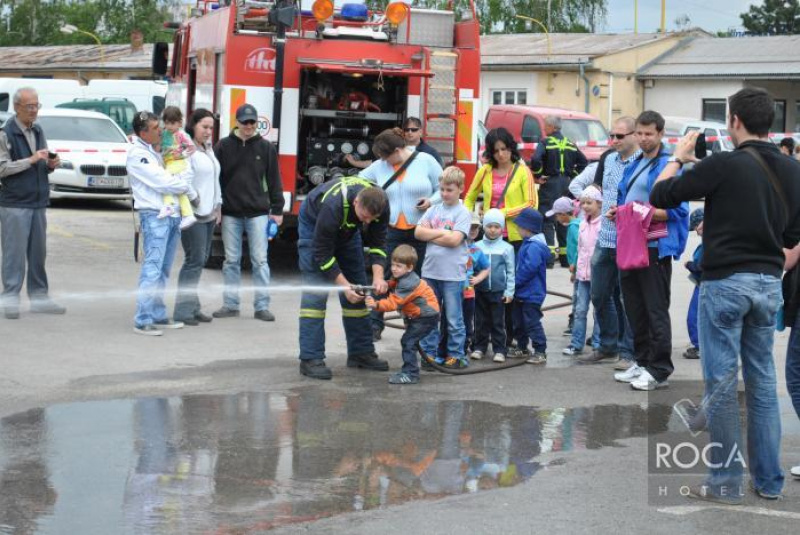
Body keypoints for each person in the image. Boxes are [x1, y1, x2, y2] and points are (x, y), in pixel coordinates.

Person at [651, 87, 800, 503]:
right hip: (768, 284)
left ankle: (724, 482)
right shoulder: (792, 170)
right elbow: (792, 235)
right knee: (763, 383)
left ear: (734, 121)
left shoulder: (722, 164)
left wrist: (678, 159)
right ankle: (769, 482)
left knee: (720, 383)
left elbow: (661, 196)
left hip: (725, 284)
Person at [611, 111, 689, 391]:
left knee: (655, 310)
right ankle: (642, 362)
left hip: (655, 246)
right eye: (640, 134)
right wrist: (619, 213)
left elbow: (677, 212)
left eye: (649, 134)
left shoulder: (670, 165)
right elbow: (628, 200)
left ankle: (659, 369)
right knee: (634, 308)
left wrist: (638, 213)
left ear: (660, 134)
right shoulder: (634, 164)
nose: (644, 139)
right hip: (631, 244)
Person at [297, 176, 391, 380]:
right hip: (314, 226)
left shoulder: (381, 204)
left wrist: (378, 276)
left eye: (370, 219)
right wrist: (344, 286)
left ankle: (361, 353)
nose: (366, 223)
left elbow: (378, 242)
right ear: (356, 201)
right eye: (364, 217)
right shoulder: (332, 206)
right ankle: (310, 358)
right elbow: (322, 253)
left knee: (359, 290)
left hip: (347, 232)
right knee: (315, 297)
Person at [358, 127, 443, 340]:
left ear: (398, 150)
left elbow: (444, 187)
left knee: (420, 278)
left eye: (387, 156)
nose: (385, 161)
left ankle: (420, 323)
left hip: (422, 230)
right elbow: (359, 181)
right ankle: (375, 325)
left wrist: (431, 201)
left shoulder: (426, 160)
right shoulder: (379, 166)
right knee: (385, 276)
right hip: (391, 230)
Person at [213, 103, 284, 322]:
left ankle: (262, 306)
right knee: (231, 260)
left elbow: (275, 180)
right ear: (237, 122)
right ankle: (230, 304)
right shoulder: (222, 146)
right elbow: (215, 180)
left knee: (260, 261)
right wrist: (216, 208)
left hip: (258, 214)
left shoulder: (266, 148)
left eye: (252, 122)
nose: (249, 126)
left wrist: (277, 209)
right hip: (230, 213)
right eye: (245, 122)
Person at [128, 111, 195, 336]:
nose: (161, 130)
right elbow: (161, 181)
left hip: (171, 214)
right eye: (156, 128)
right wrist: (183, 185)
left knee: (164, 269)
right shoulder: (138, 154)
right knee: (153, 268)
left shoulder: (155, 150)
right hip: (154, 215)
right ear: (143, 132)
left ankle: (157, 313)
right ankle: (143, 318)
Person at [0, 87, 65, 319]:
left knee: (38, 254)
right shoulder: (5, 133)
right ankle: (9, 299)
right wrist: (31, 160)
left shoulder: (37, 130)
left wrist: (49, 164)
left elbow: (41, 160)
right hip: (15, 203)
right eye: (29, 106)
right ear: (16, 107)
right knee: (14, 254)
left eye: (37, 105)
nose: (34, 111)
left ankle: (39, 298)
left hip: (37, 201)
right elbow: (3, 168)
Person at [585, 117, 639, 367]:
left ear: (634, 135)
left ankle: (627, 351)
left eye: (620, 136)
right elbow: (601, 189)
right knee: (598, 294)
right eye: (612, 136)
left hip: (628, 239)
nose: (615, 141)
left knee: (628, 298)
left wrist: (625, 210)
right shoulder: (608, 159)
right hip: (604, 237)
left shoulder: (641, 162)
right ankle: (608, 344)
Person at [416, 166, 473, 369]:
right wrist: (443, 234)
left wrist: (432, 233)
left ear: (460, 189)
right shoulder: (433, 209)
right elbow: (418, 233)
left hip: (452, 276)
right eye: (442, 189)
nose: (444, 194)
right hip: (430, 272)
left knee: (454, 318)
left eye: (449, 190)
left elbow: (455, 240)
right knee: (430, 315)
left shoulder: (463, 213)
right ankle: (429, 355)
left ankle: (456, 355)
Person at [173, 108, 222, 326]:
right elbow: (183, 181)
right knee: (194, 261)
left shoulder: (208, 149)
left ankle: (193, 306)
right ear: (193, 125)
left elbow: (215, 179)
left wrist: (218, 206)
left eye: (211, 127)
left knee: (199, 261)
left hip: (209, 215)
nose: (208, 131)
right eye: (204, 126)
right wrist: (195, 201)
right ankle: (183, 311)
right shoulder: (188, 151)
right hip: (193, 215)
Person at [365, 244, 440, 385]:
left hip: (425, 317)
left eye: (398, 266)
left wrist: (376, 305)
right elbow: (393, 284)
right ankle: (410, 370)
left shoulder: (408, 283)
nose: (393, 268)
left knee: (408, 341)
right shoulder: (402, 277)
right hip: (419, 316)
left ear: (409, 267)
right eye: (392, 264)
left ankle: (411, 374)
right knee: (410, 341)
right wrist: (383, 285)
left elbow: (394, 303)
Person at [529, 115, 588, 268]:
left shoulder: (545, 143)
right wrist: (573, 177)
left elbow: (535, 159)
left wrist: (538, 174)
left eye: (546, 126)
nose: (544, 129)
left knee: (547, 220)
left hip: (550, 183)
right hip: (566, 185)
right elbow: (584, 162)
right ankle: (565, 259)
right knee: (564, 218)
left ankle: (548, 260)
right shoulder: (570, 143)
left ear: (552, 127)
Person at [464, 127, 537, 248]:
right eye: (496, 151)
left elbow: (531, 204)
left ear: (511, 147)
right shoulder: (484, 171)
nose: (501, 154)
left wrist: (502, 213)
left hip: (516, 236)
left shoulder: (523, 171)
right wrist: (468, 218)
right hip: (489, 235)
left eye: (503, 149)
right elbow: (470, 197)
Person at [561, 188, 602, 357]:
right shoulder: (583, 223)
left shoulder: (603, 224)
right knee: (580, 310)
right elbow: (580, 248)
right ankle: (576, 343)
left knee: (599, 310)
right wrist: (575, 269)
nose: (585, 206)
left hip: (599, 275)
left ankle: (599, 344)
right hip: (582, 276)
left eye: (589, 202)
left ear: (599, 203)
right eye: (583, 202)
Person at [472, 208, 515, 362]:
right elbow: (471, 268)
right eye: (490, 226)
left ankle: (500, 350)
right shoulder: (476, 247)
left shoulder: (507, 248)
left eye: (497, 227)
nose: (493, 230)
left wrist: (509, 292)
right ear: (484, 226)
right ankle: (479, 348)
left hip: (498, 291)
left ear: (501, 229)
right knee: (480, 321)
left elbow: (511, 272)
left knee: (498, 322)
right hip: (480, 290)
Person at [510, 208, 550, 364]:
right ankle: (522, 347)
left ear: (527, 228)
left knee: (531, 322)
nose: (518, 229)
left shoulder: (534, 246)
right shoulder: (529, 243)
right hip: (522, 293)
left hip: (531, 294)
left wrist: (515, 282)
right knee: (519, 322)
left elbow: (529, 268)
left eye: (519, 226)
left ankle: (540, 350)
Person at [546, 196, 580, 339]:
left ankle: (576, 326)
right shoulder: (576, 225)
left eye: (557, 215)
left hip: (579, 270)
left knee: (579, 299)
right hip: (578, 270)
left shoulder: (574, 228)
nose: (556, 219)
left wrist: (575, 266)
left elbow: (580, 248)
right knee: (578, 297)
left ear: (564, 214)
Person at [159, 106, 197, 230]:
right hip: (169, 163)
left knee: (164, 180)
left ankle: (169, 204)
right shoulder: (165, 134)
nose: (169, 126)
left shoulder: (181, 134)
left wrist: (181, 155)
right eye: (167, 123)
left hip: (178, 164)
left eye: (172, 123)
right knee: (179, 191)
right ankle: (188, 214)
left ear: (180, 123)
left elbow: (192, 147)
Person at [683, 208, 704, 360]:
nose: (696, 231)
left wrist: (690, 265)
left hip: (704, 285)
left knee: (694, 317)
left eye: (696, 227)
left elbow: (704, 266)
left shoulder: (710, 243)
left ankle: (700, 346)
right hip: (702, 284)